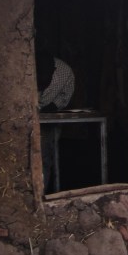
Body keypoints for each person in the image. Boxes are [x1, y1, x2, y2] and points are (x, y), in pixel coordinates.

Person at [36, 49, 75, 192]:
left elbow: (65, 95)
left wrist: (52, 106)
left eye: (44, 79)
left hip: (47, 119)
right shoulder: (25, 70)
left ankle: (41, 192)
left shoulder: (64, 73)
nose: (41, 82)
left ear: (53, 71)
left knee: (44, 157)